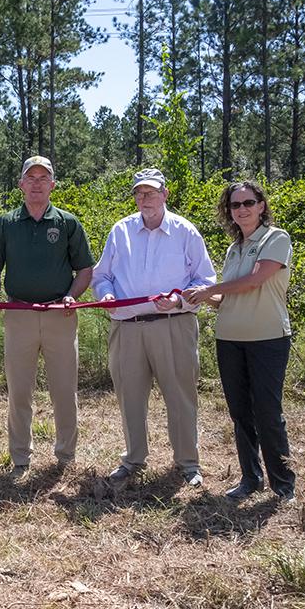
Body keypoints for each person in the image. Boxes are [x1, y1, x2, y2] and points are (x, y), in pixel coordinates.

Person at [91, 168, 216, 489]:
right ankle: (133, 459)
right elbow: (101, 275)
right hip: (128, 328)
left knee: (180, 396)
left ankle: (187, 463)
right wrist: (105, 294)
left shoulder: (185, 232)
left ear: (165, 194)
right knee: (129, 396)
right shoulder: (121, 231)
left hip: (173, 326)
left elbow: (205, 281)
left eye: (150, 192)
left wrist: (177, 300)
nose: (144, 199)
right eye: (138, 193)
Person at [0, 156, 95, 479]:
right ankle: (20, 457)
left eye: (43, 178)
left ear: (52, 185)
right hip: (18, 315)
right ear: (20, 184)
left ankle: (65, 456)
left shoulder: (68, 223)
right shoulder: (6, 223)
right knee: (19, 390)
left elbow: (85, 269)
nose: (36, 183)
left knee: (64, 390)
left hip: (60, 314)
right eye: (30, 177)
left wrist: (73, 295)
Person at [184, 181, 297, 502]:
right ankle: (251, 479)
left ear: (262, 206)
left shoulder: (276, 238)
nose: (242, 209)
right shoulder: (234, 249)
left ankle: (283, 484)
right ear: (230, 212)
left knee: (267, 412)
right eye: (236, 205)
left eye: (249, 202)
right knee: (240, 413)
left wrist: (209, 290)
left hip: (268, 339)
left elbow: (255, 281)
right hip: (230, 340)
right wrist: (198, 296)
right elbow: (226, 298)